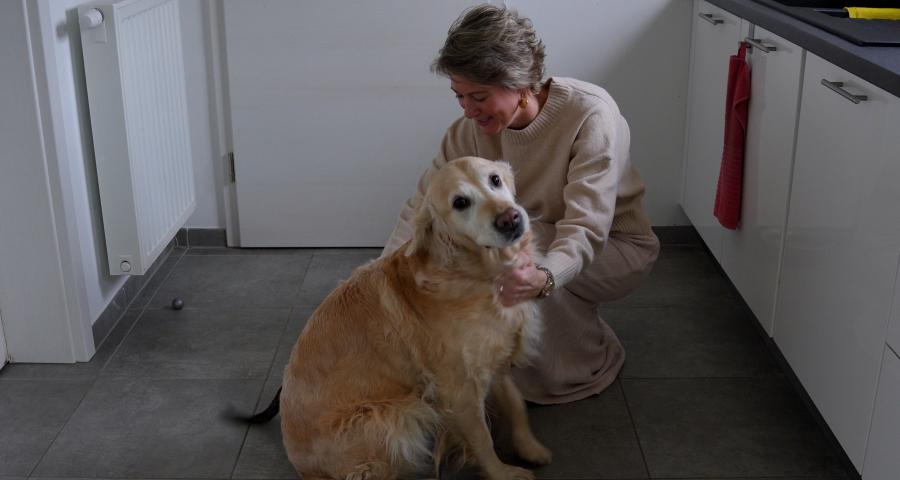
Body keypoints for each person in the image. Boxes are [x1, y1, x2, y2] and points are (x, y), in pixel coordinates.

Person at [382, 4, 660, 404]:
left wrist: (544, 277)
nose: (467, 109)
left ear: (521, 82)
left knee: (521, 250)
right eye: (459, 96)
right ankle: (521, 357)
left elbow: (586, 227)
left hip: (617, 247)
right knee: (478, 243)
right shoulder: (466, 134)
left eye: (479, 96)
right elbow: (420, 208)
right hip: (539, 237)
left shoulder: (590, 115)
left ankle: (576, 368)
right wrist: (381, 279)